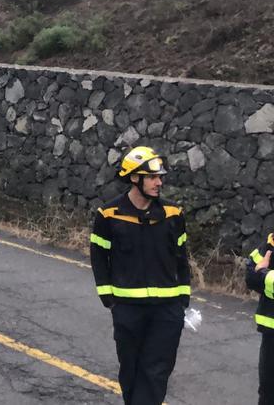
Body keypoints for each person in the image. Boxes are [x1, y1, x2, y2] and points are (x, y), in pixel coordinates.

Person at [90, 146, 190, 405]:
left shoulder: (173, 214)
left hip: (167, 311)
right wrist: (108, 297)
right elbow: (99, 257)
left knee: (156, 372)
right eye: (153, 177)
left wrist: (183, 299)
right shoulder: (108, 215)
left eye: (160, 177)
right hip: (128, 310)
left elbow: (182, 258)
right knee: (131, 371)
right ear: (135, 178)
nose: (159, 183)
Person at [246, 233, 274, 405]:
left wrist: (263, 273)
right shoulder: (267, 246)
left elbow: (258, 276)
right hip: (270, 334)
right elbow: (250, 278)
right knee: (267, 391)